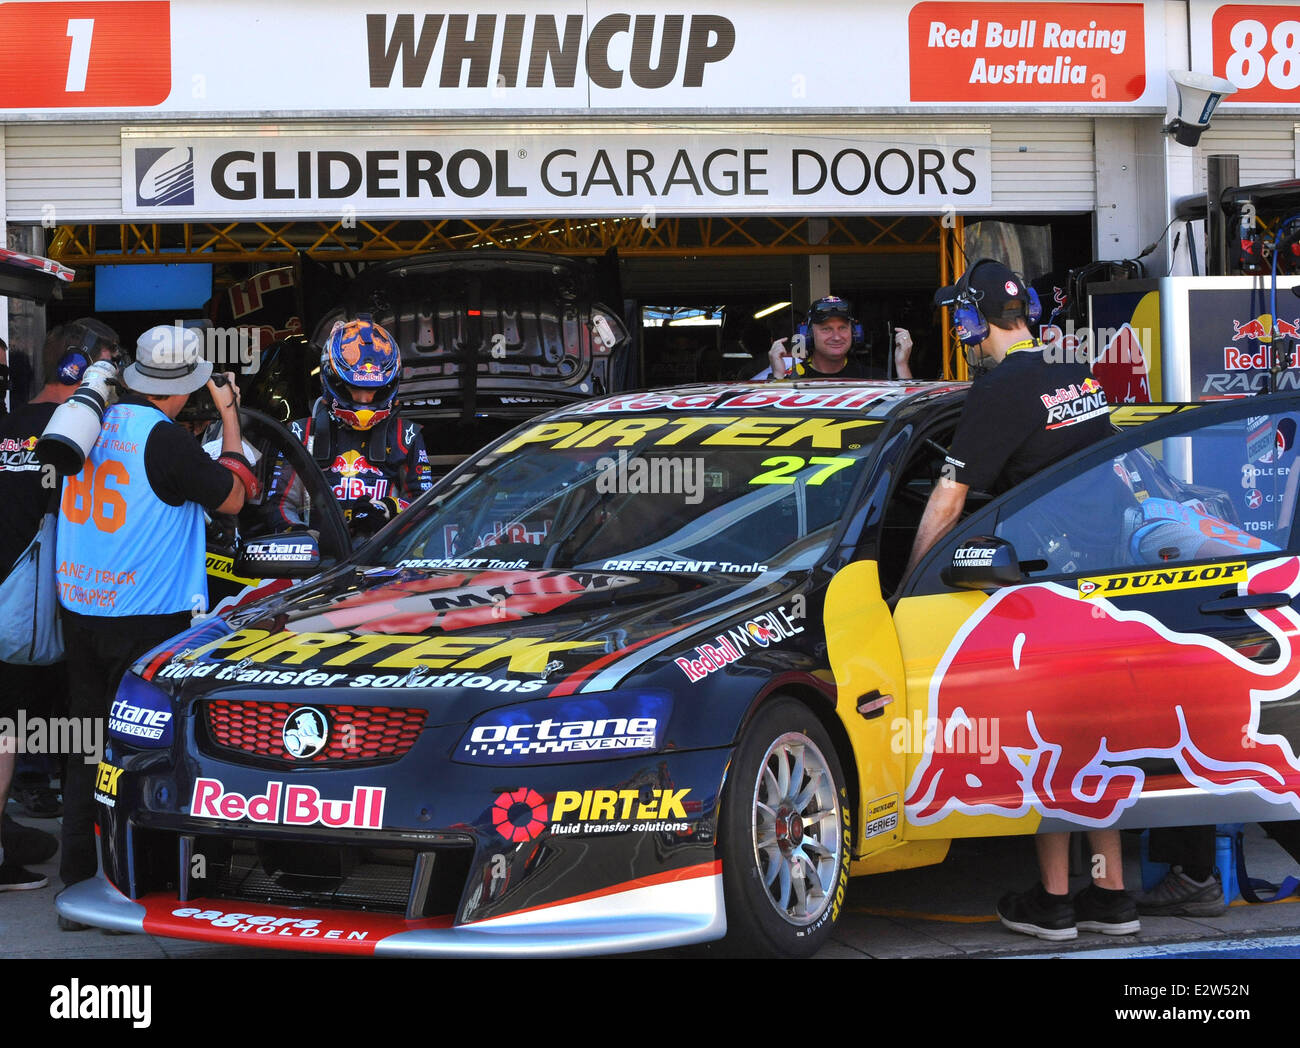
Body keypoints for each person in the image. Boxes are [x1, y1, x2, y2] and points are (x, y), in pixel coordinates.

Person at [902, 258, 1139, 942]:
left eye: (961, 316)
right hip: (1108, 584)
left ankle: (1057, 902)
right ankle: (1114, 896)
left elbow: (947, 497)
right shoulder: (1077, 375)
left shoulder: (1001, 391)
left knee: (1055, 747)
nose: (959, 327)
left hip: (1045, 589)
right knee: (1097, 743)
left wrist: (916, 583)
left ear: (974, 319)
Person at [53, 325, 251, 927]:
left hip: (82, 607)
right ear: (188, 387)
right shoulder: (164, 440)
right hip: (149, 620)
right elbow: (237, 497)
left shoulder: (94, 420)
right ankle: (145, 883)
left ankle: (76, 885)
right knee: (152, 754)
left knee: (86, 750)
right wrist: (231, 417)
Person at [0, 319, 122, 892]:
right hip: (47, 617)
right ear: (79, 367)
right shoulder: (82, 436)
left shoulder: (6, 426)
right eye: (108, 364)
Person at [263, 314, 431, 542]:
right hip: (317, 566)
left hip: (382, 558)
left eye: (373, 391)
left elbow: (425, 503)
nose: (364, 400)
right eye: (355, 389)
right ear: (331, 380)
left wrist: (387, 508)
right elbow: (278, 505)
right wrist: (307, 540)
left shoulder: (406, 435)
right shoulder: (300, 434)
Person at [765, 296, 913, 380]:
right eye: (826, 329)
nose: (836, 337)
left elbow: (908, 416)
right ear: (807, 335)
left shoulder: (873, 378)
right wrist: (778, 375)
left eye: (842, 328)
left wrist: (902, 365)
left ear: (855, 333)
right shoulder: (793, 378)